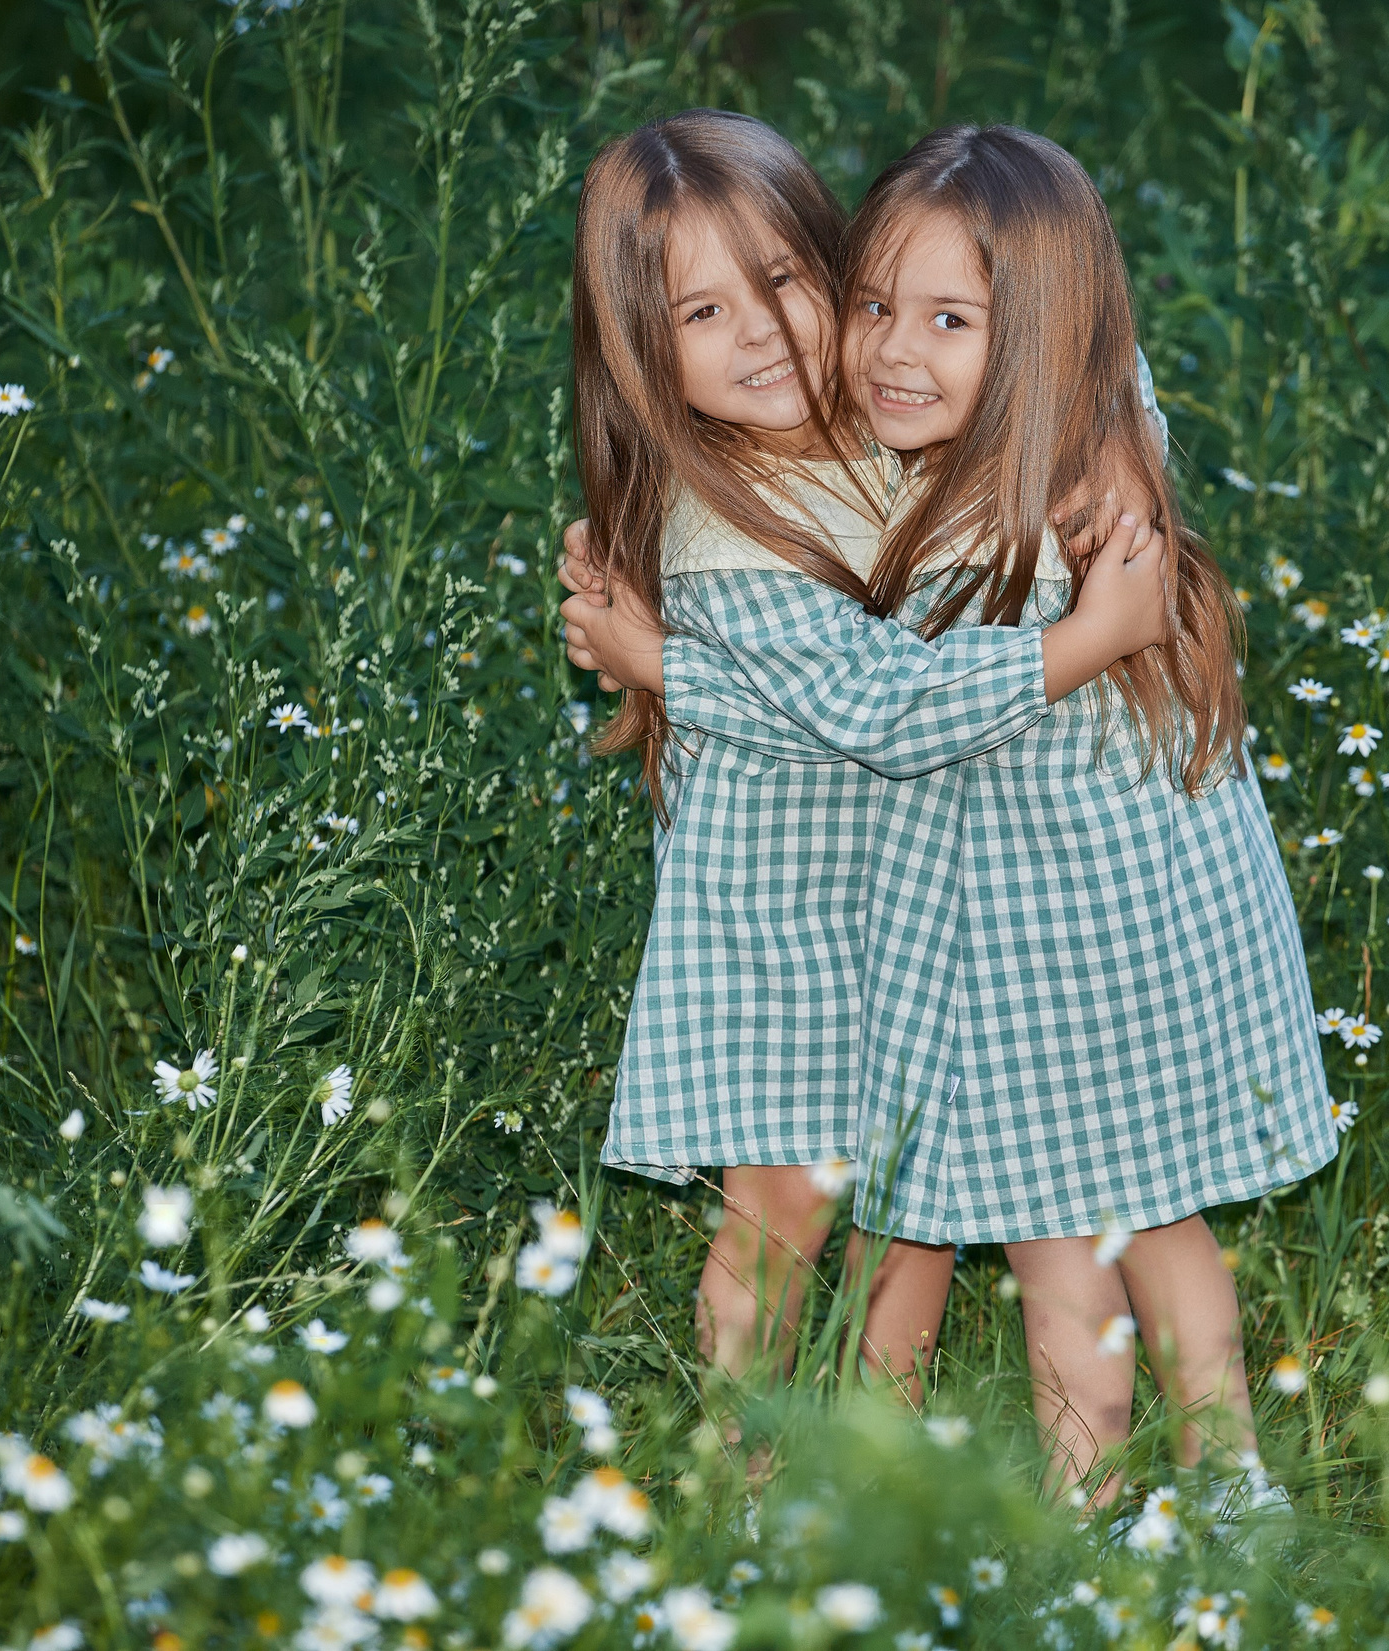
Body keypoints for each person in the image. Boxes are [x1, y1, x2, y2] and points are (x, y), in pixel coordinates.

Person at [562, 124, 1339, 1507]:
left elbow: (1081, 347)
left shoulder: (907, 407)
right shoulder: (726, 520)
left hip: (956, 900)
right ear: (639, 343)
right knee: (790, 1201)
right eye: (701, 310)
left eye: (793, 284)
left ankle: (901, 1467)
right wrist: (664, 665)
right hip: (788, 906)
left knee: (921, 1213)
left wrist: (1115, 436)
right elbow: (874, 709)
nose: (773, 335)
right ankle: (749, 1465)